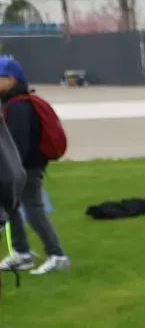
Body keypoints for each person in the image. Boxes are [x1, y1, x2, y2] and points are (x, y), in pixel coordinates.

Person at [0, 57, 70, 275]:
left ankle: (57, 255)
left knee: (33, 210)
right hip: (18, 168)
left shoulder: (19, 106)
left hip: (25, 169)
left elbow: (18, 144)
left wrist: (13, 173)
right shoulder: (12, 102)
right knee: (11, 210)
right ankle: (22, 253)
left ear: (11, 80)